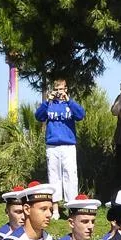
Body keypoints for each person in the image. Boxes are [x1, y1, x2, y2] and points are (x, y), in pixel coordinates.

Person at [35, 80, 85, 214]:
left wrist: (69, 101)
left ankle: (71, 208)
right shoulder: (49, 105)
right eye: (56, 89)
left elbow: (80, 115)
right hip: (52, 145)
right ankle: (55, 209)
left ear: (66, 89)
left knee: (70, 176)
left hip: (68, 145)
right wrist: (47, 101)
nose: (59, 92)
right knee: (54, 176)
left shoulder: (70, 104)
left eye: (61, 89)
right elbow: (38, 116)